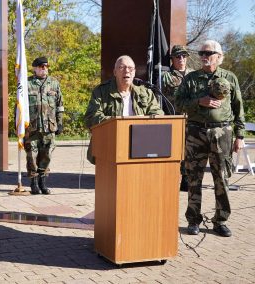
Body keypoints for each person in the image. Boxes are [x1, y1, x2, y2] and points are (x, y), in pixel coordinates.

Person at [175, 39, 245, 238]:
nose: (204, 57)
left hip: (222, 134)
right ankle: (193, 220)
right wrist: (199, 102)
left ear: (219, 57)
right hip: (196, 133)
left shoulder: (229, 78)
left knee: (221, 179)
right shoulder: (191, 79)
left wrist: (239, 136)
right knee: (193, 178)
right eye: (201, 53)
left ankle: (220, 221)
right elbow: (179, 103)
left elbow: (239, 109)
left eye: (208, 53)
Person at [84, 55, 164, 164]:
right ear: (115, 72)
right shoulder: (101, 92)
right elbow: (91, 117)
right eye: (122, 67)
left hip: (140, 147)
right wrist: (118, 122)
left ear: (134, 72)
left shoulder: (145, 93)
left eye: (130, 68)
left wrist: (143, 121)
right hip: (110, 146)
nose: (127, 71)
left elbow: (158, 114)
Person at [25, 56, 64, 195]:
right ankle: (33, 182)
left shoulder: (54, 83)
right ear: (34, 68)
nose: (44, 69)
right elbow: (19, 106)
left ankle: (43, 181)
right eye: (41, 67)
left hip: (49, 127)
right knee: (31, 155)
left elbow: (59, 105)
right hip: (32, 127)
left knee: (46, 155)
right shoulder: (26, 83)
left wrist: (60, 122)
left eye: (46, 67)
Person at [161, 45, 194, 192]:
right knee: (174, 150)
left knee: (190, 150)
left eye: (184, 56)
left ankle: (187, 179)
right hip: (174, 119)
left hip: (193, 120)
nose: (181, 59)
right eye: (178, 56)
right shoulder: (166, 76)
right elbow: (160, 98)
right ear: (172, 59)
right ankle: (173, 178)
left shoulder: (195, 75)